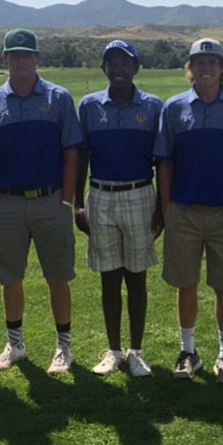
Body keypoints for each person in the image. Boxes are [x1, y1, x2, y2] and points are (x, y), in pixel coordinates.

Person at [154, 38, 223, 384]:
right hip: (184, 210)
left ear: (222, 67)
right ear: (190, 69)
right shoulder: (174, 108)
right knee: (186, 284)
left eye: (212, 62)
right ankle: (189, 352)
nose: (206, 68)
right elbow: (164, 163)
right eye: (199, 63)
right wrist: (167, 207)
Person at [0, 29, 82, 376]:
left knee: (58, 277)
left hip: (50, 200)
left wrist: (66, 200)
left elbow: (72, 153)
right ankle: (16, 345)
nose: (20, 61)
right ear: (4, 59)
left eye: (27, 55)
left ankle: (63, 347)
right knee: (10, 278)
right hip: (6, 203)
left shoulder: (59, 99)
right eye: (14, 55)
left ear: (38, 58)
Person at [75, 40, 163, 377]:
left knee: (136, 276)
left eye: (125, 62)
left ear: (136, 67)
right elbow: (81, 156)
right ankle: (113, 350)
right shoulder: (90, 106)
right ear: (103, 68)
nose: (118, 69)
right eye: (111, 63)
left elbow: (163, 160)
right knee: (109, 277)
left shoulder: (153, 107)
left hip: (140, 193)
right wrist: (79, 203)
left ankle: (136, 350)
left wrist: (163, 207)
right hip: (101, 195)